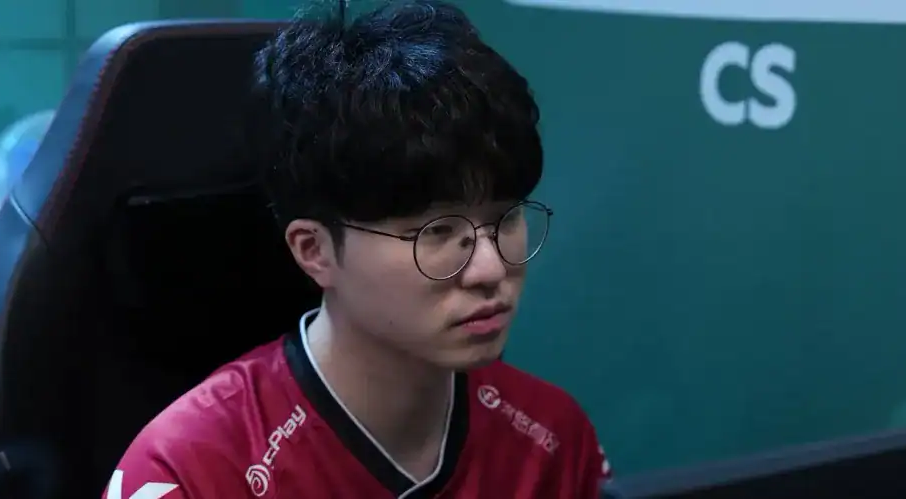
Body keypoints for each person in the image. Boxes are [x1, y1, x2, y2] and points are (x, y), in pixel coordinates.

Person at [104, 1, 610, 497]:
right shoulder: (187, 472)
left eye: (504, 219)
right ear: (314, 250)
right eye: (436, 232)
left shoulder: (552, 439)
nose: (490, 268)